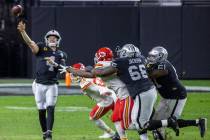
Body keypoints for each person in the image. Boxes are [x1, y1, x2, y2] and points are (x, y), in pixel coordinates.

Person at [60, 45, 180, 140]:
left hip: (128, 95)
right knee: (118, 118)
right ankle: (126, 137)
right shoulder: (137, 59)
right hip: (137, 92)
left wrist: (72, 70)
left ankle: (166, 123)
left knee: (131, 124)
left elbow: (94, 73)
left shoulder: (116, 63)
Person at [17, 21, 67, 140]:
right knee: (41, 109)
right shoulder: (41, 47)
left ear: (58, 40)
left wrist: (54, 63)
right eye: (50, 37)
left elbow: (62, 69)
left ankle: (49, 133)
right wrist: (23, 31)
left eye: (55, 38)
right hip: (38, 84)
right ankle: (44, 133)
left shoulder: (62, 54)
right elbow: (30, 43)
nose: (52, 39)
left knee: (50, 107)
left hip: (52, 84)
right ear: (46, 39)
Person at [146, 46, 207, 140]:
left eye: (153, 57)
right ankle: (198, 122)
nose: (150, 58)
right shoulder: (153, 65)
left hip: (176, 96)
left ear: (161, 57)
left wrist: (144, 73)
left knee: (166, 122)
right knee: (158, 122)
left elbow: (157, 73)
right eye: (150, 56)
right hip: (166, 97)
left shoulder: (164, 64)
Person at [70, 62, 117, 139]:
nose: (73, 76)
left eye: (75, 74)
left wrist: (103, 89)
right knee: (120, 119)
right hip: (109, 98)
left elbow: (98, 83)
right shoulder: (87, 78)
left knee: (93, 117)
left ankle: (111, 133)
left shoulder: (85, 81)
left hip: (106, 101)